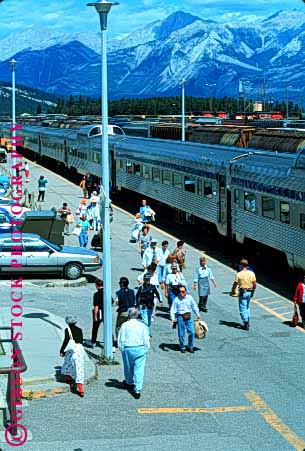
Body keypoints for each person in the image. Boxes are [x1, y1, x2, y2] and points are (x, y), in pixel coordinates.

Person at [118, 307, 150, 399]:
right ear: (137, 315)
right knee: (139, 369)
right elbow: (146, 338)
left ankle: (129, 382)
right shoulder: (142, 325)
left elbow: (121, 338)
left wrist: (121, 348)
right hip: (139, 348)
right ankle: (137, 389)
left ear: (129, 315)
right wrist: (146, 348)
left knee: (128, 366)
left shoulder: (125, 325)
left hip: (128, 348)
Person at [170, 285, 201, 353]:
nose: (181, 293)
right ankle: (182, 346)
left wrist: (198, 315)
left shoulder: (190, 298)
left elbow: (194, 307)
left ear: (186, 292)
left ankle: (190, 346)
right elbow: (173, 310)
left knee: (192, 332)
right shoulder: (176, 299)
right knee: (181, 334)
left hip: (189, 316)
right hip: (180, 317)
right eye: (180, 291)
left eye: (183, 291)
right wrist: (173, 319)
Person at [60, 316, 85, 397]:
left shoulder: (68, 330)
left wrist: (62, 350)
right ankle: (80, 388)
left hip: (72, 350)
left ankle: (69, 378)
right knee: (79, 367)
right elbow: (81, 340)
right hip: (80, 349)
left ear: (67, 322)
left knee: (68, 363)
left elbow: (66, 340)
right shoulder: (80, 330)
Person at [231, 259, 257, 330]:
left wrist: (232, 291)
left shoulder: (239, 274)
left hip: (243, 292)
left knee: (242, 308)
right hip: (249, 291)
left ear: (241, 265)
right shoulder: (251, 273)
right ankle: (248, 320)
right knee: (247, 307)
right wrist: (252, 291)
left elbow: (235, 284)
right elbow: (254, 284)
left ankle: (246, 323)